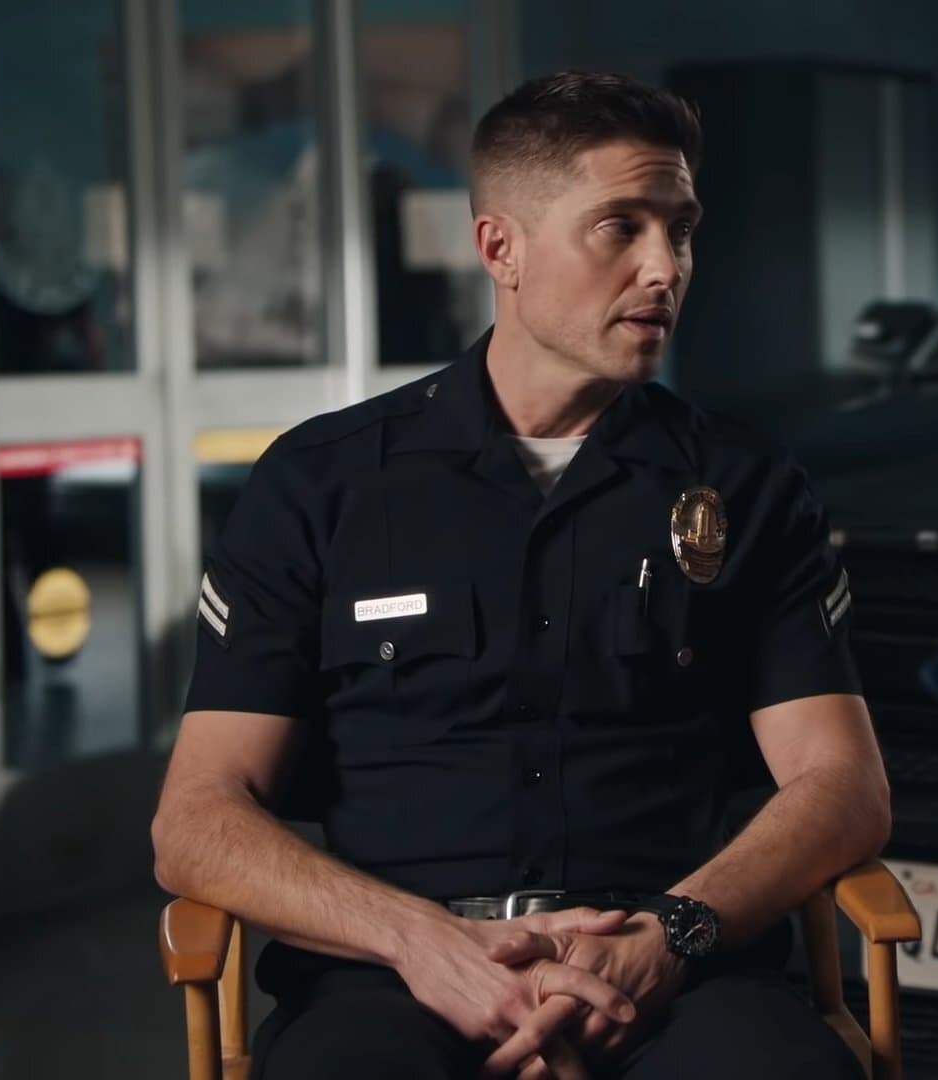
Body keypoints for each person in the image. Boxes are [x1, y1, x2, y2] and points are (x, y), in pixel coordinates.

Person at [151, 71, 890, 1080]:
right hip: (395, 974)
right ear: (500, 247)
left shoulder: (745, 485)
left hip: (678, 970)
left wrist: (672, 937)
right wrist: (423, 943)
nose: (664, 267)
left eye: (680, 230)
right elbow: (195, 822)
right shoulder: (323, 484)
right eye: (620, 227)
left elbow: (844, 786)